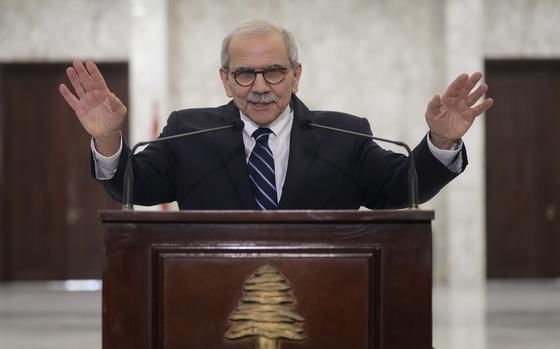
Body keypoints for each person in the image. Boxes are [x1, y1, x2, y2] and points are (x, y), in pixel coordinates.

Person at [59, 21, 493, 210]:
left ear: (296, 75)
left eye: (274, 71)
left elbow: (403, 188)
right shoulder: (187, 132)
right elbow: (132, 187)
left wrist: (440, 142)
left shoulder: (344, 134)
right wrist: (107, 141)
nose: (261, 86)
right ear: (226, 80)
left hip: (325, 301)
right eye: (245, 74)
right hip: (210, 302)